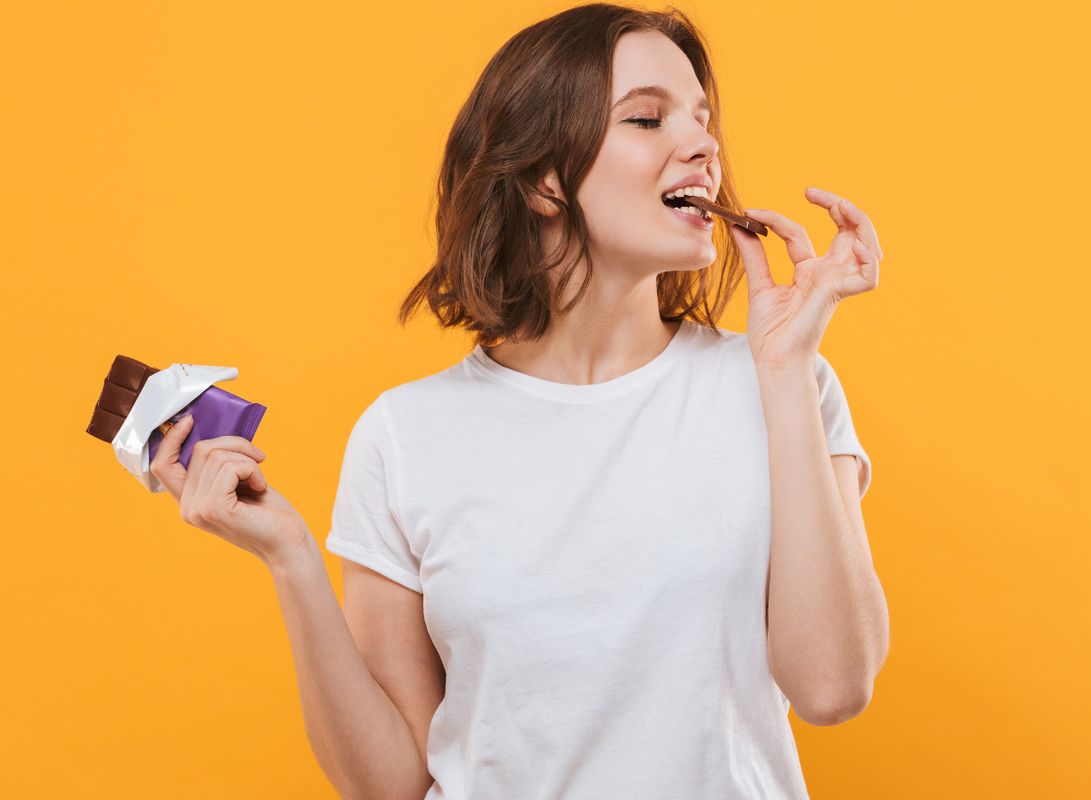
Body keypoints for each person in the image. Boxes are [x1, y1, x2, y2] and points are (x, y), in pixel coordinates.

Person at [149, 3, 888, 798]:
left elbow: (833, 688)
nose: (704, 145)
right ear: (542, 179)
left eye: (704, 120)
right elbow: (390, 784)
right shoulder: (405, 436)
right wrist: (290, 558)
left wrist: (783, 371)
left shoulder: (786, 383)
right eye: (647, 118)